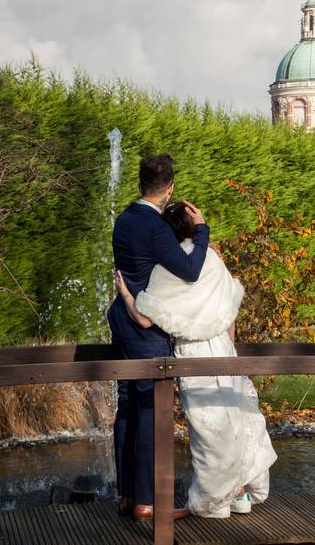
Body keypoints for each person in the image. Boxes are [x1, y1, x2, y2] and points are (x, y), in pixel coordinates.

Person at [116, 201, 277, 519]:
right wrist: (229, 346)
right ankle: (242, 494)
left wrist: (125, 294)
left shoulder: (168, 270)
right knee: (236, 416)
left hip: (195, 354)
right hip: (223, 348)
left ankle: (215, 502)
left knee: (210, 429)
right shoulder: (214, 259)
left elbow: (146, 320)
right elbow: (232, 305)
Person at [108, 154, 209, 522]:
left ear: (139, 185)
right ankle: (149, 501)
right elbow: (190, 269)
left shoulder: (122, 220)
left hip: (121, 319)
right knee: (152, 409)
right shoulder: (156, 228)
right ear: (170, 189)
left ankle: (127, 494)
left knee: (127, 407)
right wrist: (202, 231)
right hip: (145, 327)